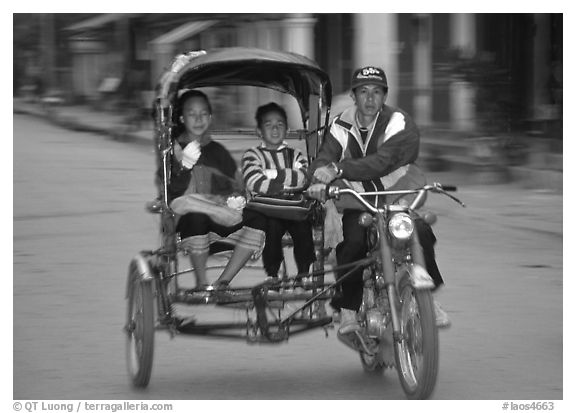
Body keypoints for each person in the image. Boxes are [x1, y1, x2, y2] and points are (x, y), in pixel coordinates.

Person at [308, 66, 450, 335]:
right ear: (353, 96)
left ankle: (428, 299)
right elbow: (325, 156)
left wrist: (339, 170)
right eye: (363, 92)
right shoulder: (341, 124)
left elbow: (384, 161)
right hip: (358, 198)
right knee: (352, 243)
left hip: (397, 193)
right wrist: (317, 178)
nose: (370, 98)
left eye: (376, 92)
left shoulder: (399, 121)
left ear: (384, 96)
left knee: (420, 232)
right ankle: (348, 308)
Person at [165, 90, 267, 290]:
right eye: (192, 114)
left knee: (261, 218)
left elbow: (237, 185)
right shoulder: (173, 152)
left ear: (210, 118)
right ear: (182, 118)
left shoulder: (218, 151)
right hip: (192, 225)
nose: (198, 119)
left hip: (224, 220)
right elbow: (172, 194)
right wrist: (184, 166)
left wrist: (237, 198)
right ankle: (202, 284)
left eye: (203, 114)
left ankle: (223, 282)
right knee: (194, 213)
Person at [242, 102, 315, 280]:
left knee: (304, 228)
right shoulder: (252, 155)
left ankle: (304, 272)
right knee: (271, 229)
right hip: (267, 211)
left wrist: (272, 175)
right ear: (259, 131)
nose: (275, 129)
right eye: (268, 125)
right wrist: (287, 179)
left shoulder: (295, 154)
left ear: (287, 129)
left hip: (293, 209)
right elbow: (254, 181)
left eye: (280, 125)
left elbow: (305, 178)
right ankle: (272, 274)